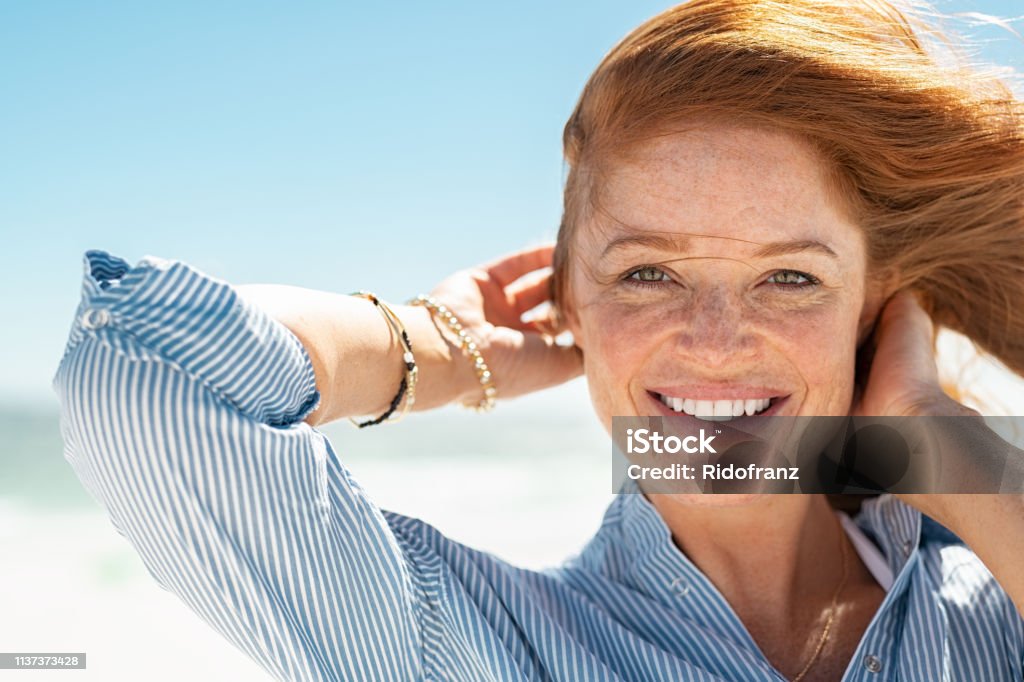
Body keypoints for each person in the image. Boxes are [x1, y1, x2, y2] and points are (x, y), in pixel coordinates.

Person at [53, 0, 1024, 680]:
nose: (716, 338)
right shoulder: (466, 647)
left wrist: (942, 450)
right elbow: (142, 377)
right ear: (567, 302)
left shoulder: (995, 605)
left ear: (875, 306)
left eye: (789, 277)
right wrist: (433, 346)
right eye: (647, 272)